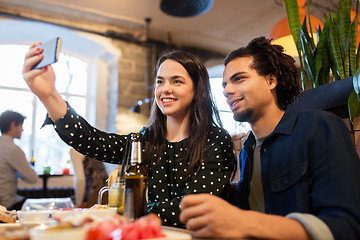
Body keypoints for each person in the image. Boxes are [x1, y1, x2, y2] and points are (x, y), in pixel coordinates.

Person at [22, 45, 237, 227]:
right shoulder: (144, 140)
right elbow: (91, 140)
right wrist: (48, 94)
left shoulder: (216, 140)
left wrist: (120, 215)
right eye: (160, 82)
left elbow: (191, 209)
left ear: (197, 89)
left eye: (177, 81)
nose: (165, 89)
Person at [179, 36, 360, 240]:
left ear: (271, 80)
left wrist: (243, 221)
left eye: (239, 79)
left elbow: (347, 227)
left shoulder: (320, 128)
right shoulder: (248, 150)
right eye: (224, 85)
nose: (227, 91)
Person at [0, 110, 38, 210]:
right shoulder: (13, 149)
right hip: (7, 204)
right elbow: (32, 178)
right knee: (38, 208)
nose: (22, 130)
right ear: (13, 125)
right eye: (21, 126)